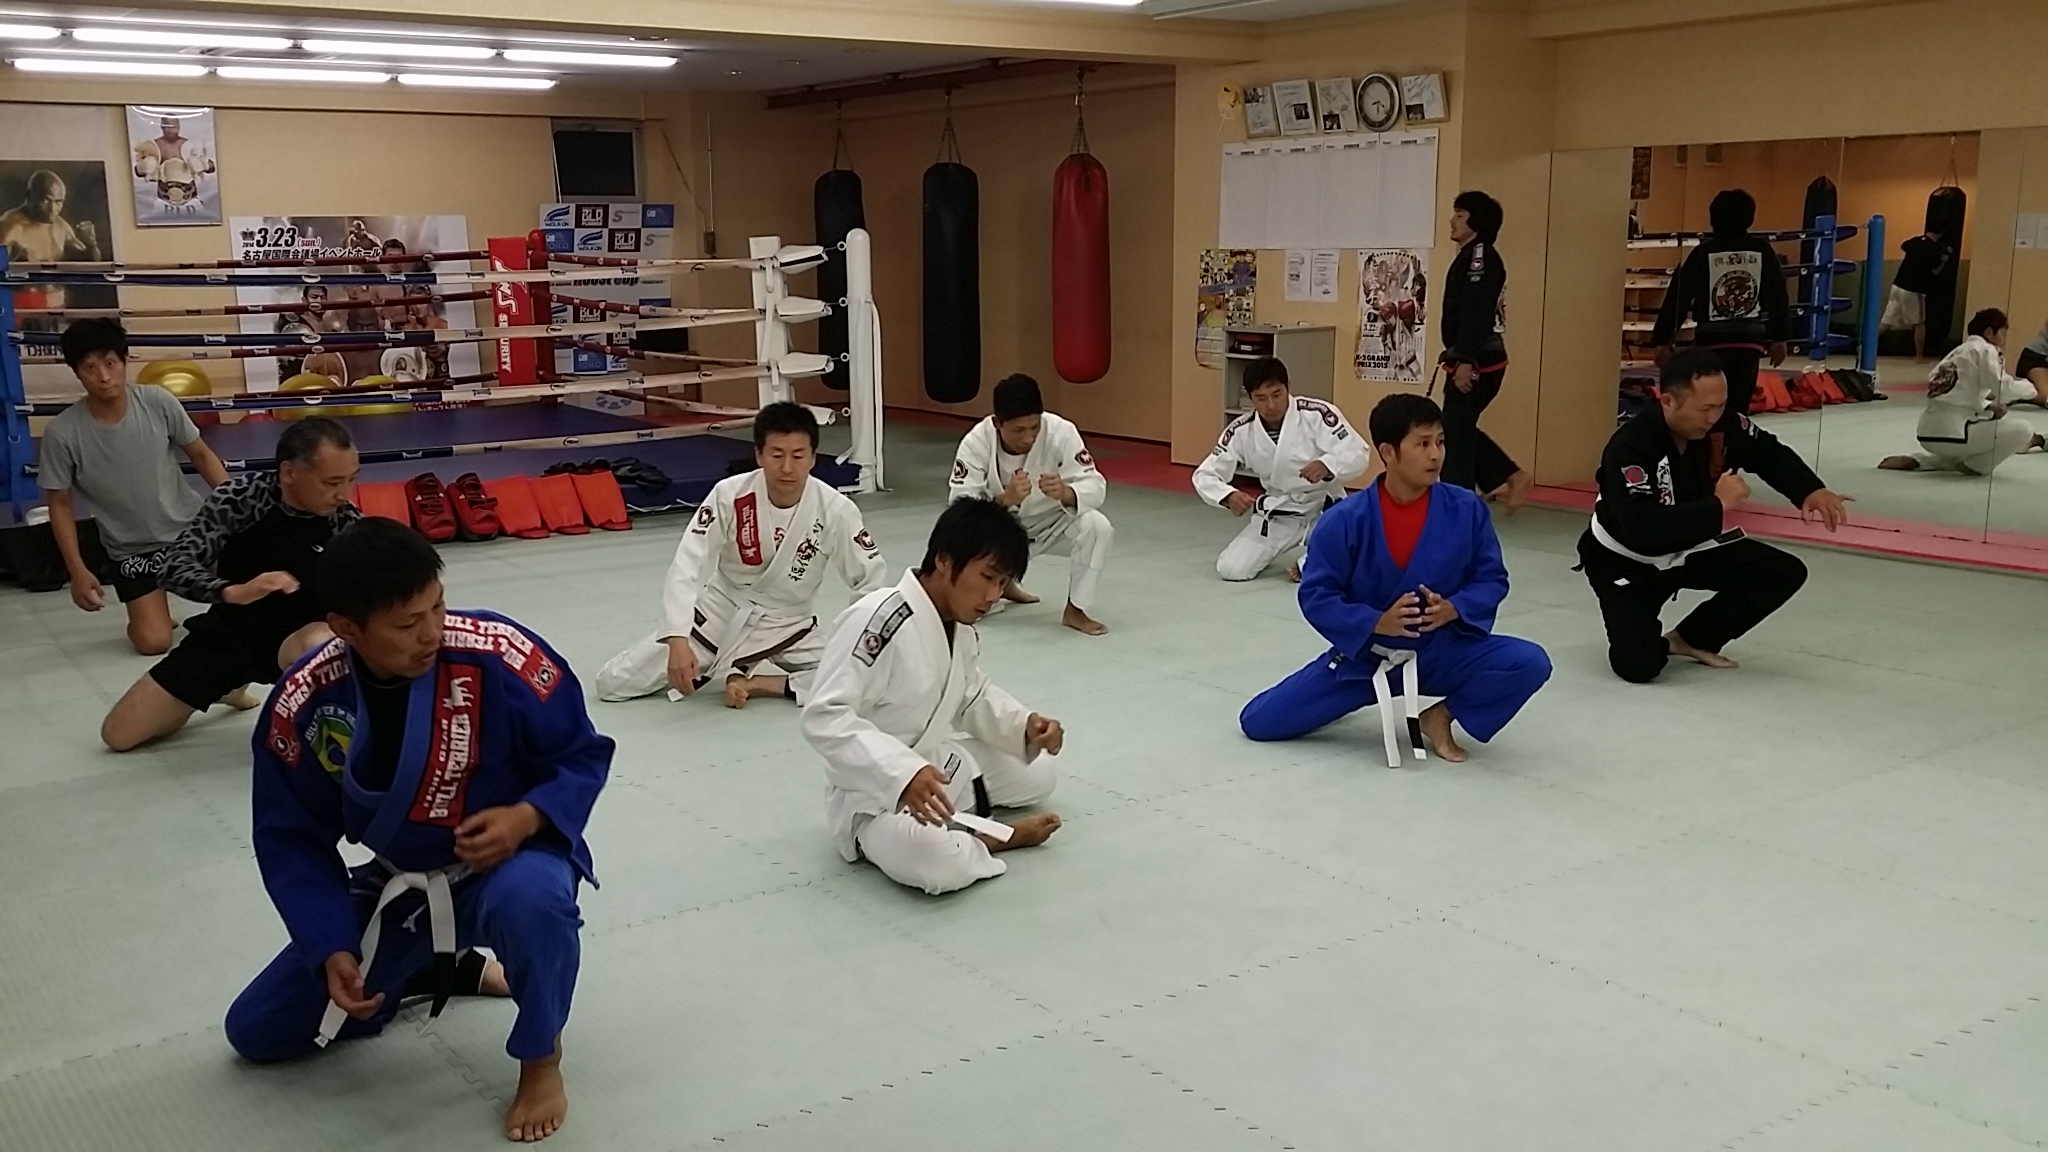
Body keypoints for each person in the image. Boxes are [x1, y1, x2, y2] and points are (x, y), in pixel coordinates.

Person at [222, 519, 612, 1144]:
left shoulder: (499, 653)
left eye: (438, 605)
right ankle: (436, 969)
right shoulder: (306, 701)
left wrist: (527, 816)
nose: (432, 632)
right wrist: (331, 943)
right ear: (346, 628)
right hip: (401, 883)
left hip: (510, 860)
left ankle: (542, 1056)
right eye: (407, 623)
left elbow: (581, 755)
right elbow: (291, 836)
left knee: (535, 904)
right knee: (259, 1030)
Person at [1239, 395, 1549, 765]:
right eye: (1422, 444)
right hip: (1366, 658)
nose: (1435, 455)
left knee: (1530, 662)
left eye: (1440, 442)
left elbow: (1491, 579)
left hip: (1442, 651)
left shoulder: (1466, 509)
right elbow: (1317, 595)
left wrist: (1454, 608)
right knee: (1259, 721)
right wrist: (1376, 622)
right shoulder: (1345, 520)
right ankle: (1343, 697)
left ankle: (1439, 717)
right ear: (1388, 452)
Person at [802, 499, 1064, 896]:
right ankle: (993, 839)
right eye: (987, 577)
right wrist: (902, 773)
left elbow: (970, 695)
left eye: (1002, 583)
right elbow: (825, 716)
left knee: (1039, 774)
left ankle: (959, 823)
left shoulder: (958, 624)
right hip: (873, 793)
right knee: (935, 863)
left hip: (934, 765)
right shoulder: (877, 621)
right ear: (944, 560)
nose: (993, 596)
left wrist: (1025, 725)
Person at [1577, 347, 1853, 684]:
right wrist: (1718, 505)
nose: (1713, 417)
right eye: (1705, 409)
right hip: (1629, 560)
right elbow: (1642, 527)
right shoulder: (1630, 447)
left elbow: (1766, 452)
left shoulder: (1722, 425)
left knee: (1783, 573)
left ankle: (1694, 638)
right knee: (1639, 666)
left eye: (1720, 406)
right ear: (1668, 401)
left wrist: (1810, 489)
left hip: (1690, 547)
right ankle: (1652, 640)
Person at [595, 402, 886, 708]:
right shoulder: (730, 494)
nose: (787, 467)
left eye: (798, 456)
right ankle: (730, 663)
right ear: (759, 455)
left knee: (867, 677)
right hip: (720, 616)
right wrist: (677, 638)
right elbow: (688, 564)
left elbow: (869, 582)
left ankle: (760, 684)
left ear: (813, 458)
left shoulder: (836, 510)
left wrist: (854, 641)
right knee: (612, 684)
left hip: (788, 626)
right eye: (777, 455)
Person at [100, 417, 362, 751]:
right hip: (230, 633)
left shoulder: (346, 521)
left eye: (352, 479)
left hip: (297, 639)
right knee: (119, 735)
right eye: (332, 482)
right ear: (288, 473)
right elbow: (173, 566)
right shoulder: (241, 499)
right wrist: (232, 591)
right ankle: (227, 686)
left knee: (324, 642)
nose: (343, 494)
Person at [37, 319, 229, 654]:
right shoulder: (62, 433)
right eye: (90, 367)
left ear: (125, 361)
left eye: (111, 363)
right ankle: (150, 615)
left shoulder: (158, 402)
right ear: (77, 373)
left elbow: (201, 454)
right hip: (132, 552)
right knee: (153, 642)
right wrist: (77, 570)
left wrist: (235, 506)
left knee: (247, 594)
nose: (104, 376)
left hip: (191, 530)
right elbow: (60, 504)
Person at [947, 373, 1113, 634]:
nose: (1029, 437)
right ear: (997, 423)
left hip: (1050, 524)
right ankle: (1004, 581)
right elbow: (959, 506)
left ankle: (1076, 610)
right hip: (1000, 531)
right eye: (1018, 430)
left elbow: (1095, 484)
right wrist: (1004, 500)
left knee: (1097, 526)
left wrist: (1067, 492)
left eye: (1034, 427)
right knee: (966, 601)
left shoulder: (1061, 432)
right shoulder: (976, 443)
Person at [1193, 356, 1369, 582]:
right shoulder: (1241, 431)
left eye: (1277, 394)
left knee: (1358, 551)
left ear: (1288, 387)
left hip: (1325, 510)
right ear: (1250, 398)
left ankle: (1310, 561)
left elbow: (1358, 452)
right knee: (1232, 569)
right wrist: (1227, 496)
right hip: (1280, 512)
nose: (1271, 405)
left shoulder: (1317, 414)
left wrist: (1328, 465)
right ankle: (1317, 559)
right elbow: (1205, 474)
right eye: (1261, 398)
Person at [1651, 189, 1791, 429]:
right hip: (1749, 341)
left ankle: (1712, 447)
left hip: (1712, 339)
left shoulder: (1703, 253)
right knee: (1738, 409)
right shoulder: (1761, 250)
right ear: (1750, 218)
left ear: (1713, 218)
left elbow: (1678, 297)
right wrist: (1780, 338)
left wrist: (1662, 339)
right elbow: (1778, 296)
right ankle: (1731, 449)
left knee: (1708, 406)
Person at [1438, 190, 1533, 511]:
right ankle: (1506, 476)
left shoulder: (1481, 257)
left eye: (1460, 215)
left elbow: (1477, 312)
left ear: (1476, 221)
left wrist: (1465, 359)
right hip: (1470, 356)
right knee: (1456, 427)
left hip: (1479, 360)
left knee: (1455, 431)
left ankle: (1460, 502)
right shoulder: (1470, 255)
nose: (1452, 220)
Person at [1879, 309, 2043, 476]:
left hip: (1928, 432)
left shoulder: (1957, 352)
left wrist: (1986, 406)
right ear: (1989, 332)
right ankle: (1976, 466)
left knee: (1993, 421)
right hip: (1955, 434)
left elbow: (1950, 391)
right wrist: (2031, 389)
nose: (2003, 339)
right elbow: (2003, 388)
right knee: (2023, 430)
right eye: (2002, 333)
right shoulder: (1986, 350)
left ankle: (1922, 461)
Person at [1880, 230, 1953, 361]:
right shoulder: (1932, 248)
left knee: (1886, 321)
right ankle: (1919, 356)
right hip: (1913, 289)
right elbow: (1935, 271)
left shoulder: (1915, 241)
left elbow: (1903, 246)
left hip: (1897, 285)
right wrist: (1944, 260)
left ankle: (1864, 345)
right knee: (1919, 323)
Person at [0, 169, 102, 263]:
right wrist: (16, 263)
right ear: (29, 195)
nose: (52, 209)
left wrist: (91, 245)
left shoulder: (61, 226)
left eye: (58, 202)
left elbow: (91, 263)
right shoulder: (10, 227)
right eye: (45, 200)